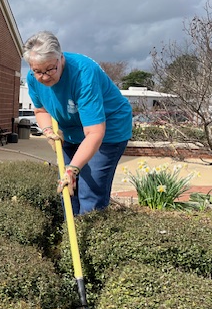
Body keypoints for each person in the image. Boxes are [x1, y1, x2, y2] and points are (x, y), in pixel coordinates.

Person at [22, 31, 133, 215]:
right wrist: (48, 130)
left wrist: (73, 169)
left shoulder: (83, 74)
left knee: (90, 191)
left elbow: (95, 133)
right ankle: (70, 236)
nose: (45, 76)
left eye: (50, 69)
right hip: (71, 130)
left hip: (107, 129)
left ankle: (89, 238)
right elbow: (41, 110)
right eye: (38, 71)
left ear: (61, 58)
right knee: (66, 188)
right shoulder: (33, 79)